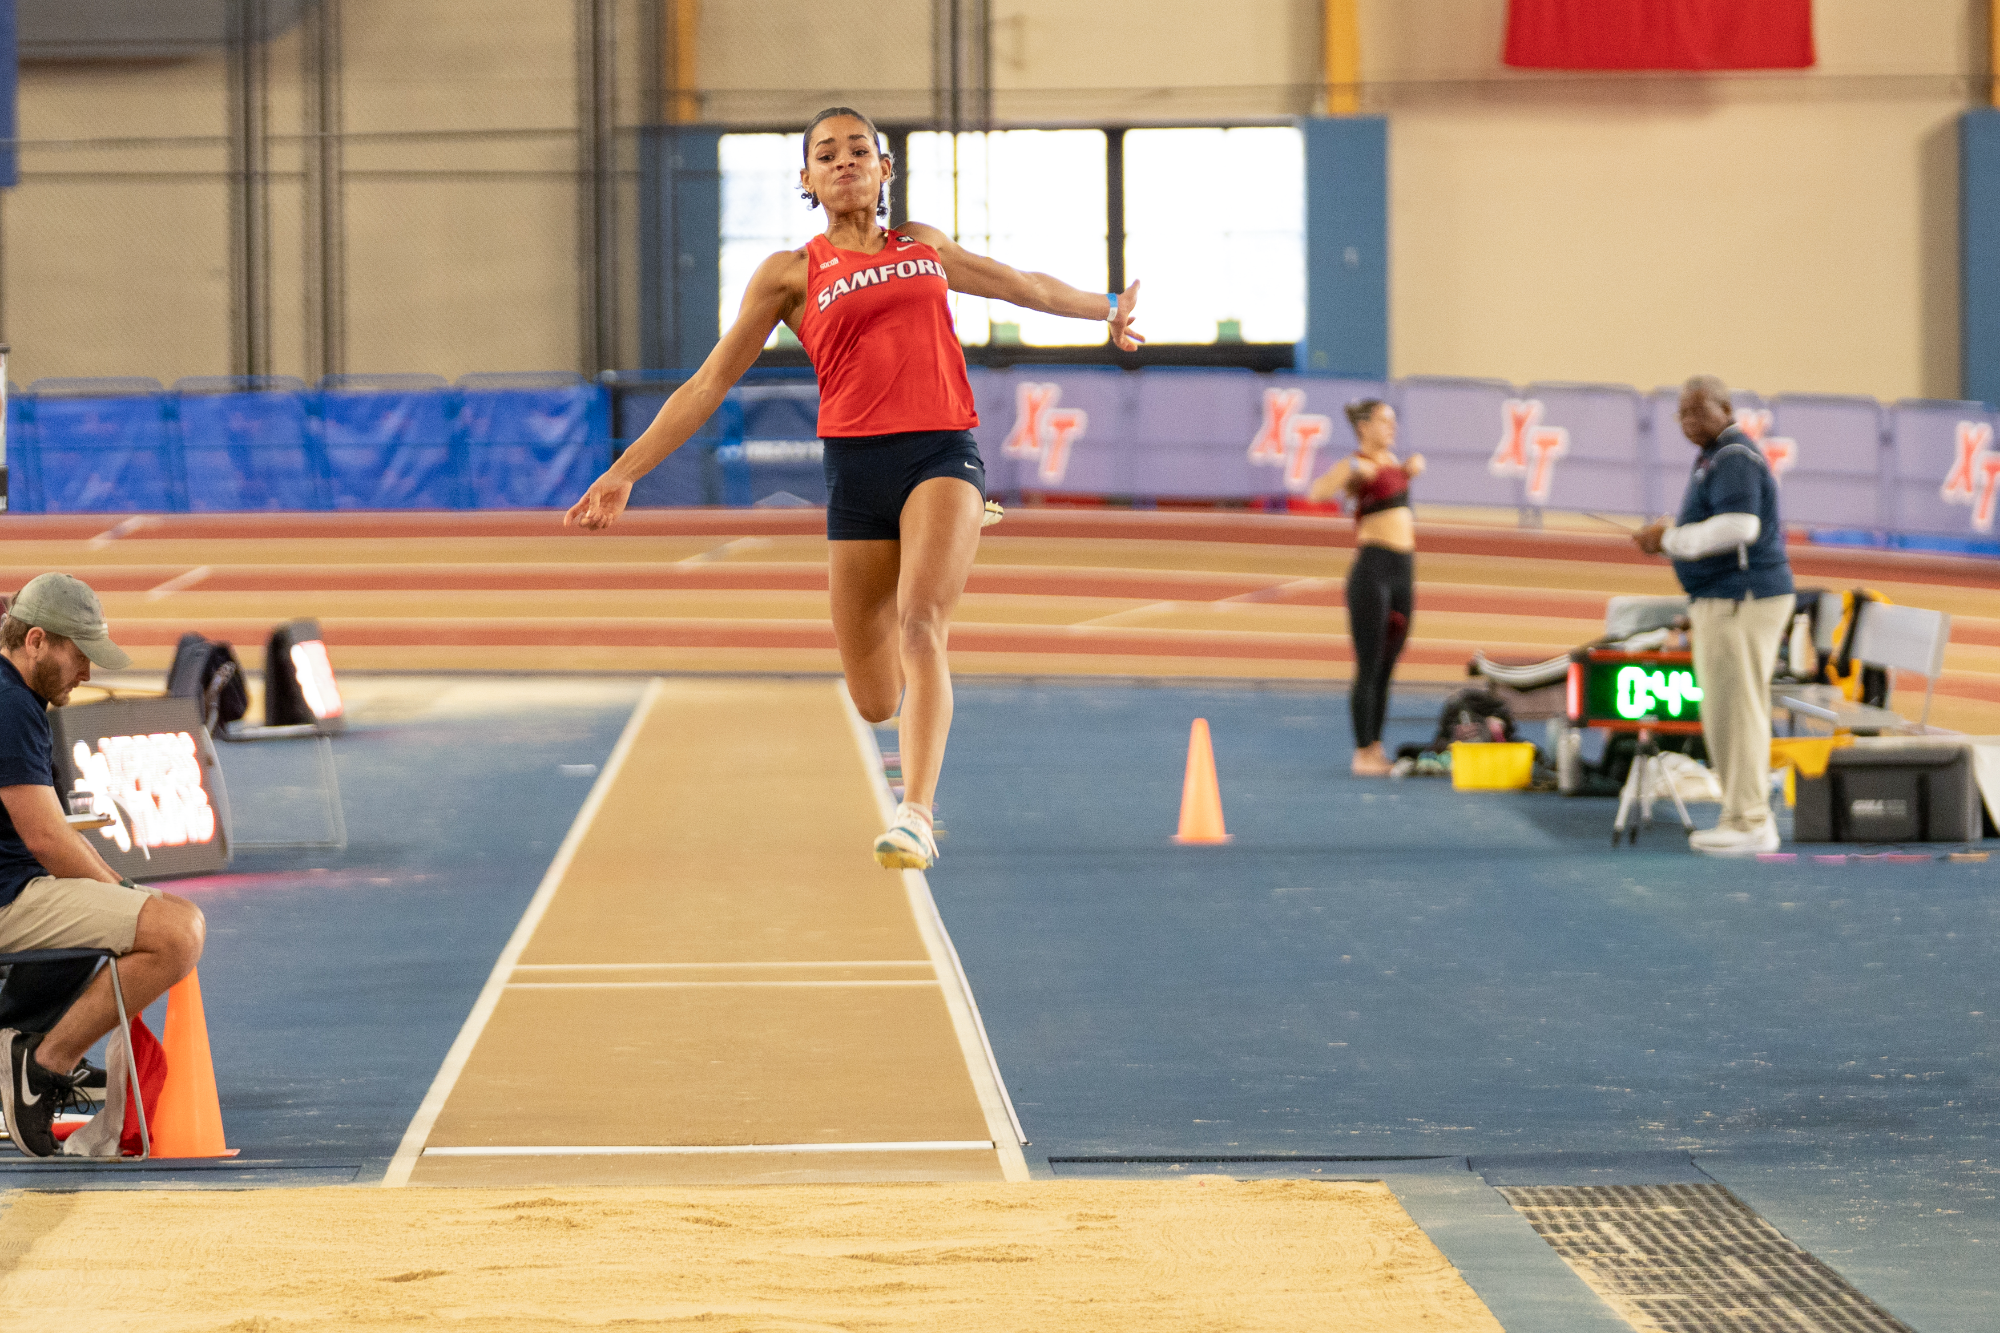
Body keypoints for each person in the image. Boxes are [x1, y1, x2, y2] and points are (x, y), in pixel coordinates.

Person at [566, 106, 1142, 869]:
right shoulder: (789, 274)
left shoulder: (924, 246)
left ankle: (917, 812)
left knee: (921, 622)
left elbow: (1018, 284)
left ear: (885, 169)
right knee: (874, 697)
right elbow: (708, 383)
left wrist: (1103, 308)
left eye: (859, 150)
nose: (844, 162)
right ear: (805, 179)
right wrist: (622, 472)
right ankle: (940, 547)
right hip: (855, 473)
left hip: (940, 450)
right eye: (826, 154)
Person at [0, 574, 208, 1156]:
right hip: (8, 896)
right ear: (35, 640)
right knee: (177, 931)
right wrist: (123, 891)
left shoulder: (15, 698)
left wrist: (119, 893)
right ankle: (40, 1065)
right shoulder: (11, 706)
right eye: (80, 656)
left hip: (17, 886)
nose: (89, 673)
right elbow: (45, 836)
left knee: (138, 910)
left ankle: (32, 1041)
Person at [1633, 375, 1795, 855]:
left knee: (1738, 712)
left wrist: (1672, 540)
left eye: (1697, 411)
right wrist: (1669, 538)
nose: (1688, 422)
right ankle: (1740, 815)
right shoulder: (1714, 457)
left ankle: (1751, 821)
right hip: (1725, 599)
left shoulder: (1733, 457)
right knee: (1726, 712)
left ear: (1725, 409)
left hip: (1741, 598)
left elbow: (1741, 525)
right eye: (1681, 414)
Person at [1308, 400, 1424, 776]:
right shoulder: (1356, 464)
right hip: (1372, 571)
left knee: (1388, 666)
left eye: (1394, 420)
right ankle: (1361, 752)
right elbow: (1317, 492)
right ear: (1364, 426)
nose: (1392, 427)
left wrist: (1407, 472)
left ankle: (1376, 746)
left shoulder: (1393, 464)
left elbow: (1392, 491)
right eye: (1385, 421)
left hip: (1403, 570)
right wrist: (1346, 476)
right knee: (1369, 664)